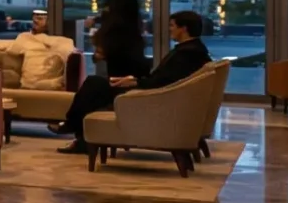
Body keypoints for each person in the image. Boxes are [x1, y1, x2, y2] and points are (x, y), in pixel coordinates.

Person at [54, 10, 213, 154]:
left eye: (172, 25)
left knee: (94, 85)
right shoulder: (193, 50)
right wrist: (133, 80)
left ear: (183, 28)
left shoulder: (187, 53)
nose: (169, 29)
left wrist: (136, 83)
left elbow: (164, 82)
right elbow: (167, 80)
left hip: (152, 99)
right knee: (96, 87)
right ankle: (80, 134)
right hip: (156, 95)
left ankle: (74, 126)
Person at [90, 0, 149, 79]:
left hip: (123, 51)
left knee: (119, 84)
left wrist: (101, 44)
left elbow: (116, 20)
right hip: (125, 50)